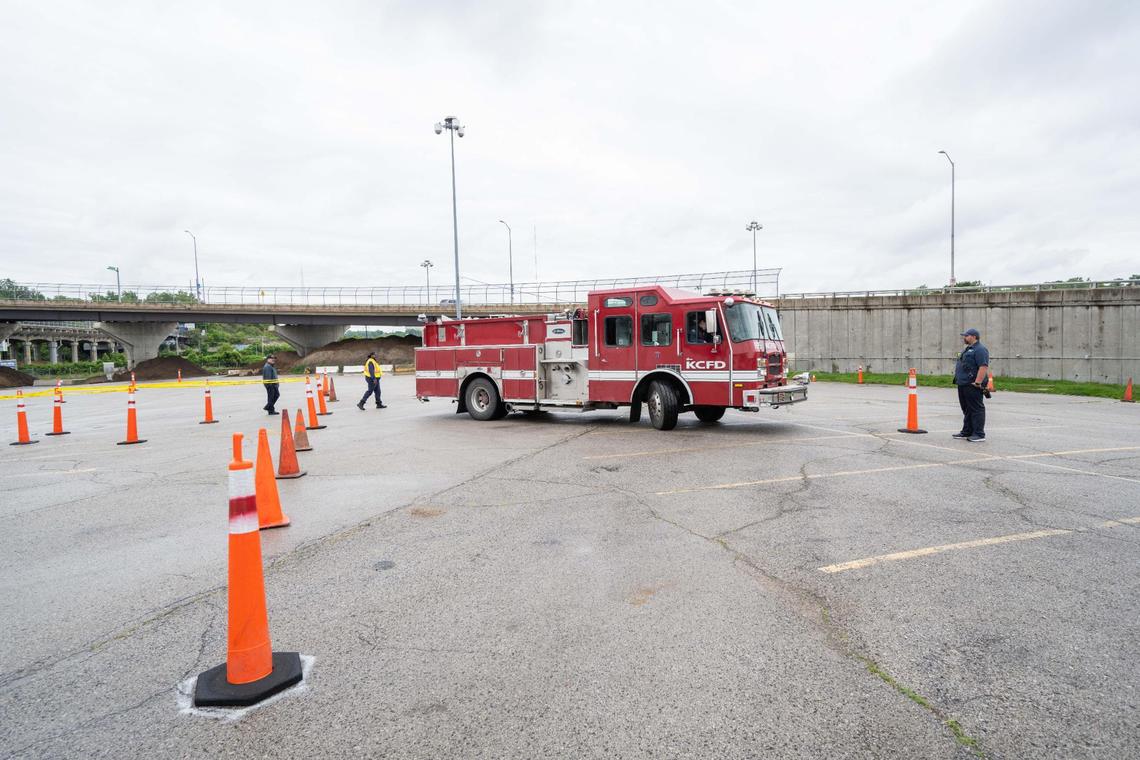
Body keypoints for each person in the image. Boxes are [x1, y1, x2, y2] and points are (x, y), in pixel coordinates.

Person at [953, 328, 990, 442]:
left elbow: (983, 366)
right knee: (967, 409)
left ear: (974, 336)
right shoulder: (968, 349)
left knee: (976, 409)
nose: (964, 337)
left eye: (966, 335)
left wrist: (978, 382)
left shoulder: (980, 349)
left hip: (973, 384)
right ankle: (967, 431)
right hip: (963, 383)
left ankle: (979, 434)